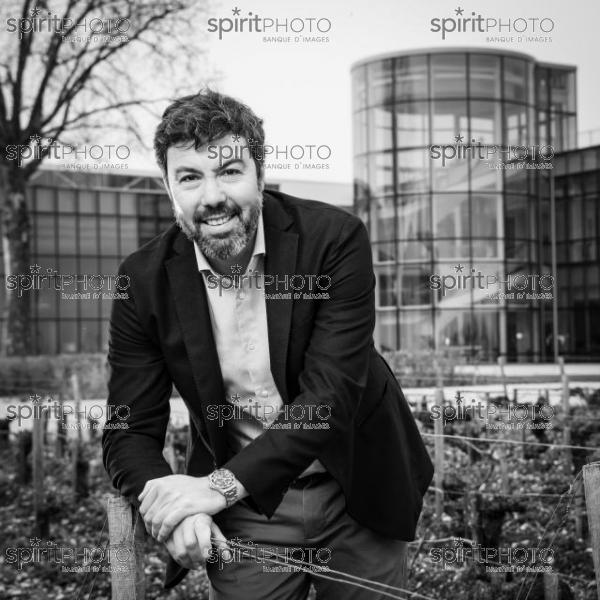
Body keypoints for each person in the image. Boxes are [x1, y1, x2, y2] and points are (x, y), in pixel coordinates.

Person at [102, 89, 433, 599]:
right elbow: (128, 430)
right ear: (169, 188)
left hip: (354, 486)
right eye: (189, 177)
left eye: (229, 171)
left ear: (259, 173)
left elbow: (329, 400)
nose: (211, 197)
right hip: (246, 513)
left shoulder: (333, 239)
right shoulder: (142, 281)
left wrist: (211, 489)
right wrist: (172, 509)